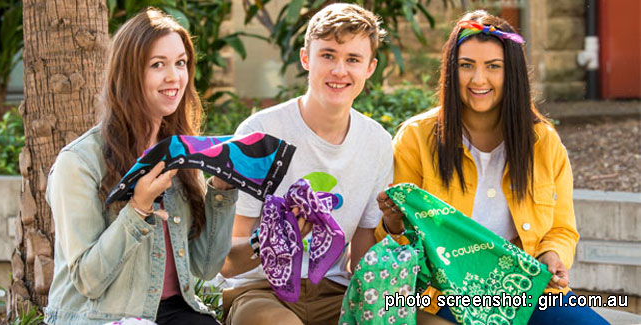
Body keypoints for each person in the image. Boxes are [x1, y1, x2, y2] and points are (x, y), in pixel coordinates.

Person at [375, 10, 607, 324]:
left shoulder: (544, 142)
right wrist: (392, 224)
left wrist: (551, 256)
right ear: (451, 71)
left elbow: (562, 229)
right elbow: (390, 241)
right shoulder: (416, 138)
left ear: (511, 72)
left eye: (493, 67)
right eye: (466, 66)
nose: (478, 79)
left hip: (526, 288)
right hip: (442, 294)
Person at [44, 8, 237, 324]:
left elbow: (205, 267)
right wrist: (138, 207)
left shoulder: (181, 153)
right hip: (99, 316)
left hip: (173, 312)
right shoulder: (78, 163)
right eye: (157, 65)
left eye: (180, 63)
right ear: (129, 73)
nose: (174, 76)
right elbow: (88, 280)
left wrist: (222, 190)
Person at [218, 3, 393, 324]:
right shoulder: (261, 134)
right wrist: (270, 241)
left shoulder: (378, 142)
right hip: (260, 289)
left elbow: (363, 249)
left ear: (370, 67)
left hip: (334, 291)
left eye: (353, 59)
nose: (340, 70)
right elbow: (225, 261)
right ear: (305, 58)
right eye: (327, 55)